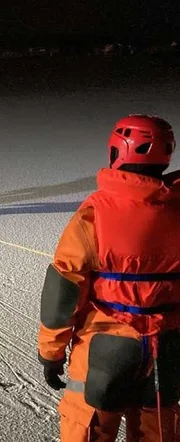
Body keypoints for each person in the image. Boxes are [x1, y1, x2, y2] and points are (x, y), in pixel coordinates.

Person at [37, 114, 180, 441]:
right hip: (169, 350)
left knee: (87, 427)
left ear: (118, 152)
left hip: (105, 349)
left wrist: (51, 353)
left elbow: (63, 295)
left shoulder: (95, 213)